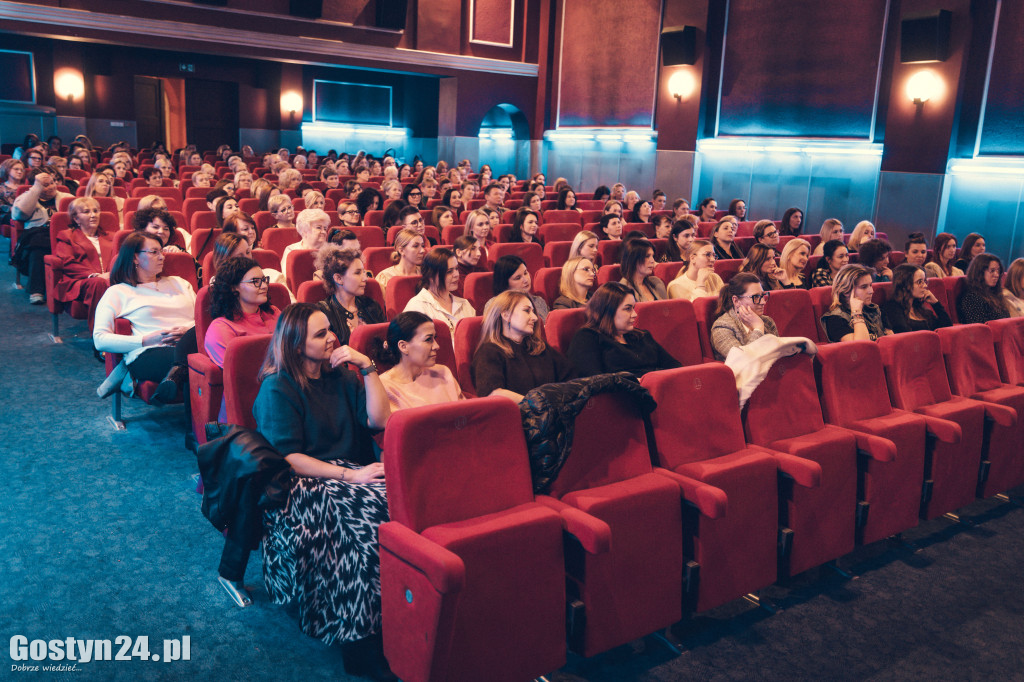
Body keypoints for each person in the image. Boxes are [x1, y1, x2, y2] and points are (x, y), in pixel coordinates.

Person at [253, 303, 393, 679]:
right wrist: (348, 477)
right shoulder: (277, 386)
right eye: (320, 334)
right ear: (297, 345)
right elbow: (288, 457)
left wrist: (367, 367)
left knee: (399, 519)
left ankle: (400, 622)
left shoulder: (342, 376)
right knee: (359, 537)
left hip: (351, 473)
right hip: (302, 482)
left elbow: (380, 420)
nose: (332, 337)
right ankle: (358, 641)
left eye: (330, 329)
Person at [93, 232, 197, 402]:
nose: (162, 257)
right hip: (150, 352)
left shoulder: (180, 283)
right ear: (135, 258)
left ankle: (175, 375)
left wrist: (187, 330)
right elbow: (100, 340)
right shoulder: (118, 292)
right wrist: (146, 340)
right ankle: (196, 425)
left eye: (161, 251)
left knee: (199, 357)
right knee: (197, 362)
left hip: (191, 342)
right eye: (154, 252)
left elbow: (201, 320)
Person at [203, 256, 281, 419]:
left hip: (284, 388)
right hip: (251, 401)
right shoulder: (221, 328)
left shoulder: (274, 313)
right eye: (255, 281)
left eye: (264, 280)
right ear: (233, 288)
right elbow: (243, 375)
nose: (264, 286)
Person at [472, 291, 574, 400]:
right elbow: (493, 393)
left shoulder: (539, 346)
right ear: (506, 315)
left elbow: (570, 376)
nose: (535, 317)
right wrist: (536, 404)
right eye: (527, 311)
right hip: (515, 415)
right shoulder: (489, 352)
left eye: (534, 312)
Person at [568, 282, 681, 378]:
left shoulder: (641, 336)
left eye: (633, 308)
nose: (635, 314)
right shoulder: (587, 337)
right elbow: (593, 381)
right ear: (607, 311)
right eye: (627, 309)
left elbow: (675, 368)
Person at [375, 312, 464, 411]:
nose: (437, 346)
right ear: (403, 346)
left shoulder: (443, 372)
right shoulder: (384, 387)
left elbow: (466, 415)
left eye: (435, 338)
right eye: (428, 339)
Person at [12, 167, 75, 303]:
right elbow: (18, 214)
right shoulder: (26, 197)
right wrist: (36, 190)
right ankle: (37, 290)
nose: (51, 187)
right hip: (37, 234)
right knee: (37, 247)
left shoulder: (66, 197)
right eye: (45, 185)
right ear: (35, 185)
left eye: (52, 183)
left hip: (62, 234)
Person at [54, 197, 113, 332]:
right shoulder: (67, 236)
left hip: (110, 278)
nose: (93, 215)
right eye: (86, 212)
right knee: (98, 283)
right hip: (80, 282)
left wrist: (112, 275)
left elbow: (120, 259)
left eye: (95, 211)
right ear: (76, 219)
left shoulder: (112, 237)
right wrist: (95, 275)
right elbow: (67, 262)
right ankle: (100, 335)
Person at [316, 244, 386, 346]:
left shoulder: (372, 305)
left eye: (364, 272)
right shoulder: (323, 312)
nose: (365, 278)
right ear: (338, 278)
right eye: (358, 273)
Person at [403, 247, 475, 334]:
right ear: (431, 276)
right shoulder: (417, 306)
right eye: (449, 271)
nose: (456, 275)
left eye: (456, 269)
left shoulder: (465, 304)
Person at [711, 273, 779, 361]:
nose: (763, 302)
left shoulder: (767, 321)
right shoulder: (721, 327)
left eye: (763, 295)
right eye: (756, 297)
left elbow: (779, 354)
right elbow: (743, 360)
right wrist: (758, 329)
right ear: (736, 301)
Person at [821, 264, 892, 342]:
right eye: (864, 287)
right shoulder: (835, 319)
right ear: (846, 291)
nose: (871, 291)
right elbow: (861, 347)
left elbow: (891, 341)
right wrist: (857, 312)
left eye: (870, 285)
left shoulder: (876, 310)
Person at [881, 264, 953, 333]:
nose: (924, 285)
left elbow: (947, 329)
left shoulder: (919, 308)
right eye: (919, 282)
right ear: (905, 285)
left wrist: (936, 304)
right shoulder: (892, 307)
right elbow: (905, 334)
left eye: (924, 281)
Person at [491, 254, 549, 320]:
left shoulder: (538, 301)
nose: (526, 280)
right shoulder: (494, 305)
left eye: (525, 273)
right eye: (518, 278)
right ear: (505, 283)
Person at [282, 208, 330, 283]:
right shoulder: (292, 250)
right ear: (304, 231)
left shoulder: (330, 251)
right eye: (319, 228)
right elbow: (287, 280)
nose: (324, 232)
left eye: (325, 228)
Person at [957, 254, 1009, 324]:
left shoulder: (995, 293)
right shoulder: (971, 297)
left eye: (998, 271)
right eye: (992, 271)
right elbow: (979, 328)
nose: (996, 275)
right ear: (979, 272)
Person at [375, 227, 425, 292]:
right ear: (401, 250)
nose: (422, 250)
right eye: (415, 246)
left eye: (422, 246)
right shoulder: (385, 277)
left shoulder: (425, 274)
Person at [619, 238, 668, 302]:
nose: (652, 261)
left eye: (653, 256)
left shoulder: (656, 283)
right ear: (634, 259)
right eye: (647, 256)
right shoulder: (623, 288)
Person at [0, 158, 26, 226]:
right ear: (7, 170)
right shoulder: (1, 188)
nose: (20, 172)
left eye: (21, 170)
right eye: (16, 169)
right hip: (8, 214)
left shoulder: (27, 187)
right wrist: (11, 209)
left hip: (26, 212)